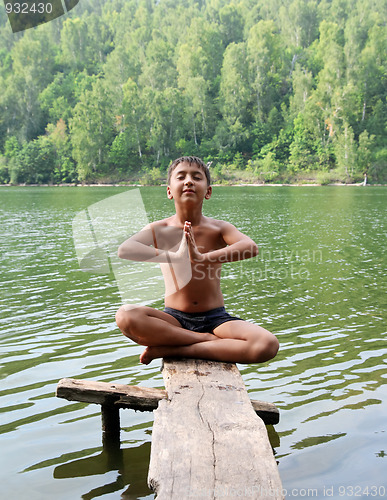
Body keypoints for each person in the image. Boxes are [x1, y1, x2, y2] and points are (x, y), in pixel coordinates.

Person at [115, 156, 279, 365]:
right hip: (173, 320)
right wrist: (175, 257)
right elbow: (125, 249)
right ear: (169, 190)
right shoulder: (159, 229)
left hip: (216, 320)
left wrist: (202, 258)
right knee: (125, 316)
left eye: (197, 177)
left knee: (267, 344)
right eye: (181, 176)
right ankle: (202, 341)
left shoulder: (219, 228)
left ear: (208, 191)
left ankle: (174, 349)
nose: (189, 181)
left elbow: (250, 247)